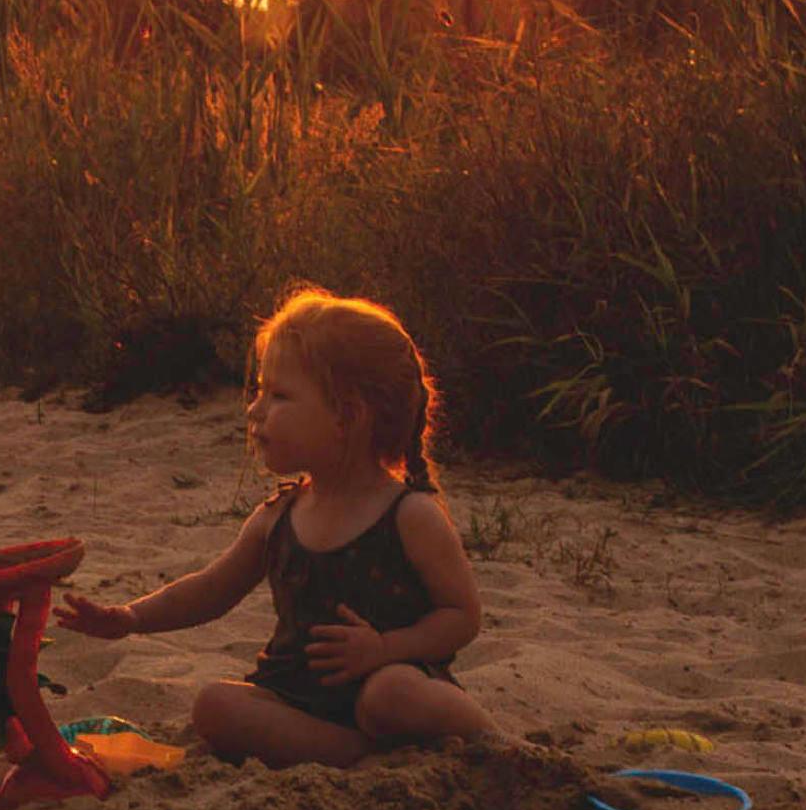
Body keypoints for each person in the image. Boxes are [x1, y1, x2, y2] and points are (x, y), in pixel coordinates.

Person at [56, 287, 492, 769]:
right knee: (215, 706)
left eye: (279, 395)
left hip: (391, 682)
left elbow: (461, 616)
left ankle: (490, 739)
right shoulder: (279, 516)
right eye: (260, 392)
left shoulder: (409, 515)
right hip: (299, 700)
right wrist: (130, 618)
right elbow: (212, 588)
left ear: (349, 415)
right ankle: (360, 757)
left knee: (388, 695)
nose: (254, 410)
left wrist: (387, 648)